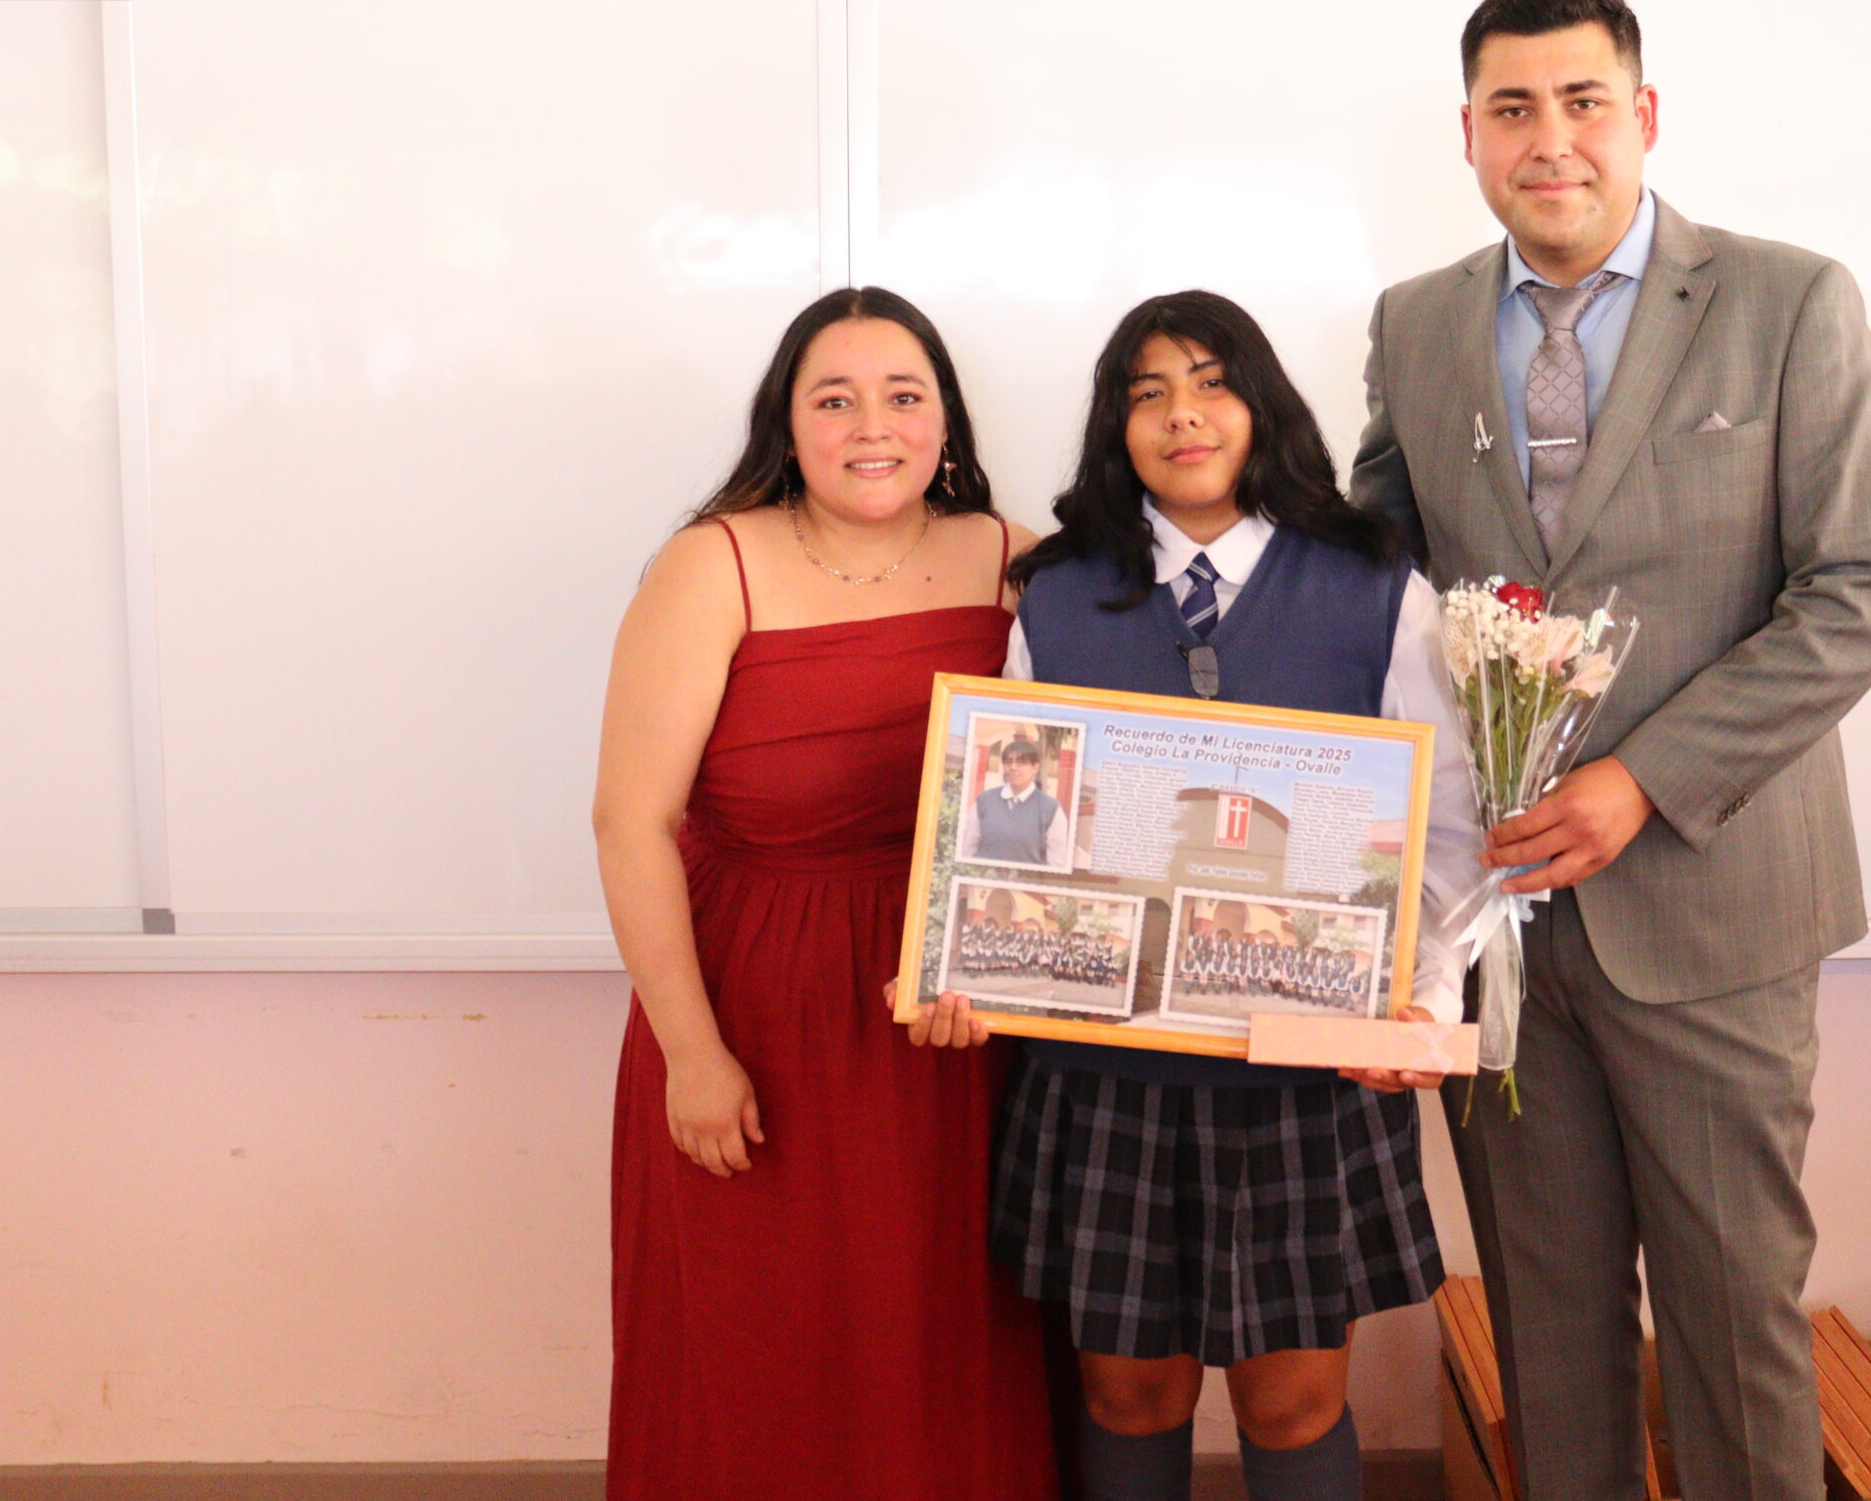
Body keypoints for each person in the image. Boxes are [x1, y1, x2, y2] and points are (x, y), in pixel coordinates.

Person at [1350, 0, 1871, 1501]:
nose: (1551, 139)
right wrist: (1142, 570)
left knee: (1734, 1320)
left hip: (1714, 909)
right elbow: (1372, 582)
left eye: (1583, 101)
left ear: (1644, 114)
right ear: (1469, 133)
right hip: (1498, 921)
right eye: (1513, 108)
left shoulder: (1790, 301)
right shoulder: (1416, 323)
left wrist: (1641, 781)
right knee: (1547, 1332)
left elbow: (1863, 592)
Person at [989, 290, 1496, 1501]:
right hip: (1111, 1072)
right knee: (1126, 1395)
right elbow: (1016, 831)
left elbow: (1447, 822)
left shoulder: (1376, 585)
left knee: (1294, 1400)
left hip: (1306, 1075)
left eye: (1211, 383)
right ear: (1116, 428)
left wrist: (1422, 1000)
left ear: (1261, 405)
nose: (1183, 415)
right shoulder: (1052, 595)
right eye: (1147, 392)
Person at [592, 286, 1057, 1500]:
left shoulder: (1012, 560)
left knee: (941, 1334)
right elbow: (630, 824)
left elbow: (1073, 797)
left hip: (952, 1022)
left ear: (944, 419)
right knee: (761, 1342)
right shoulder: (712, 564)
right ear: (786, 423)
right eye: (835, 399)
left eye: (903, 396)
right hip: (756, 1011)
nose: (873, 427)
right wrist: (693, 1054)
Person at [959, 734, 1072, 867]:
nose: (1013, 767)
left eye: (1021, 762)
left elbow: (1056, 864)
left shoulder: (1051, 809)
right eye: (1008, 761)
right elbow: (968, 850)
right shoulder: (984, 800)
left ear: (1035, 768)